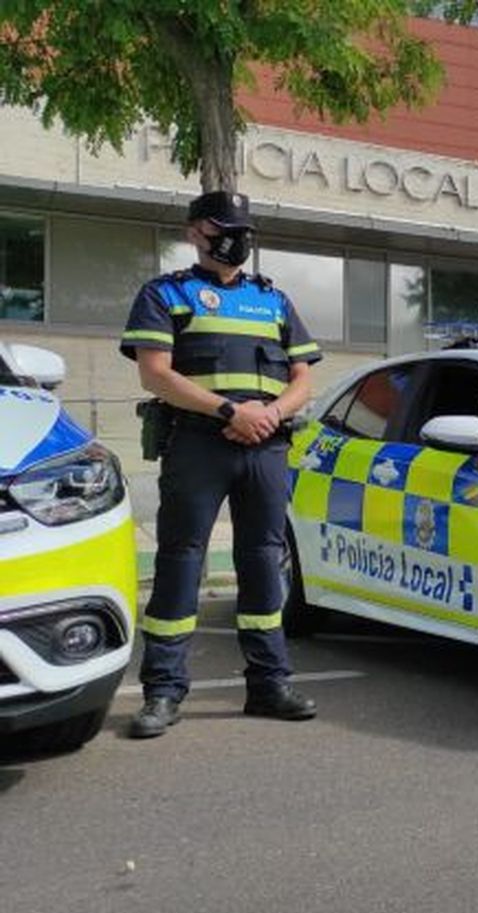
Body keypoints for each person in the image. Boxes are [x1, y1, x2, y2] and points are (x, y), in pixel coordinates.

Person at [121, 191, 321, 738]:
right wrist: (231, 411)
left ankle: (269, 685)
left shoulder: (273, 300)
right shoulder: (166, 293)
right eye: (222, 228)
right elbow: (155, 373)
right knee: (180, 561)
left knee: (263, 562)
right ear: (195, 232)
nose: (235, 238)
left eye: (242, 230)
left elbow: (303, 379)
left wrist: (269, 414)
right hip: (197, 443)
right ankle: (163, 691)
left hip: (267, 446)